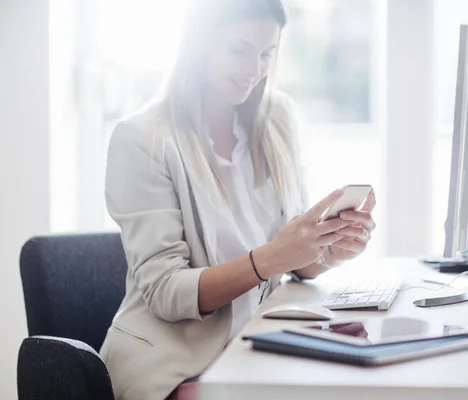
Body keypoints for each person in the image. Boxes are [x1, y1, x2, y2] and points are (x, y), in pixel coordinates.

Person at [99, 1, 377, 399]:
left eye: (267, 54)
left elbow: (295, 265)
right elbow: (166, 291)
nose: (255, 68)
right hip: (177, 363)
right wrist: (273, 258)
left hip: (260, 344)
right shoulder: (143, 139)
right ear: (198, 42)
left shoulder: (278, 119)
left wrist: (329, 250)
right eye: (239, 49)